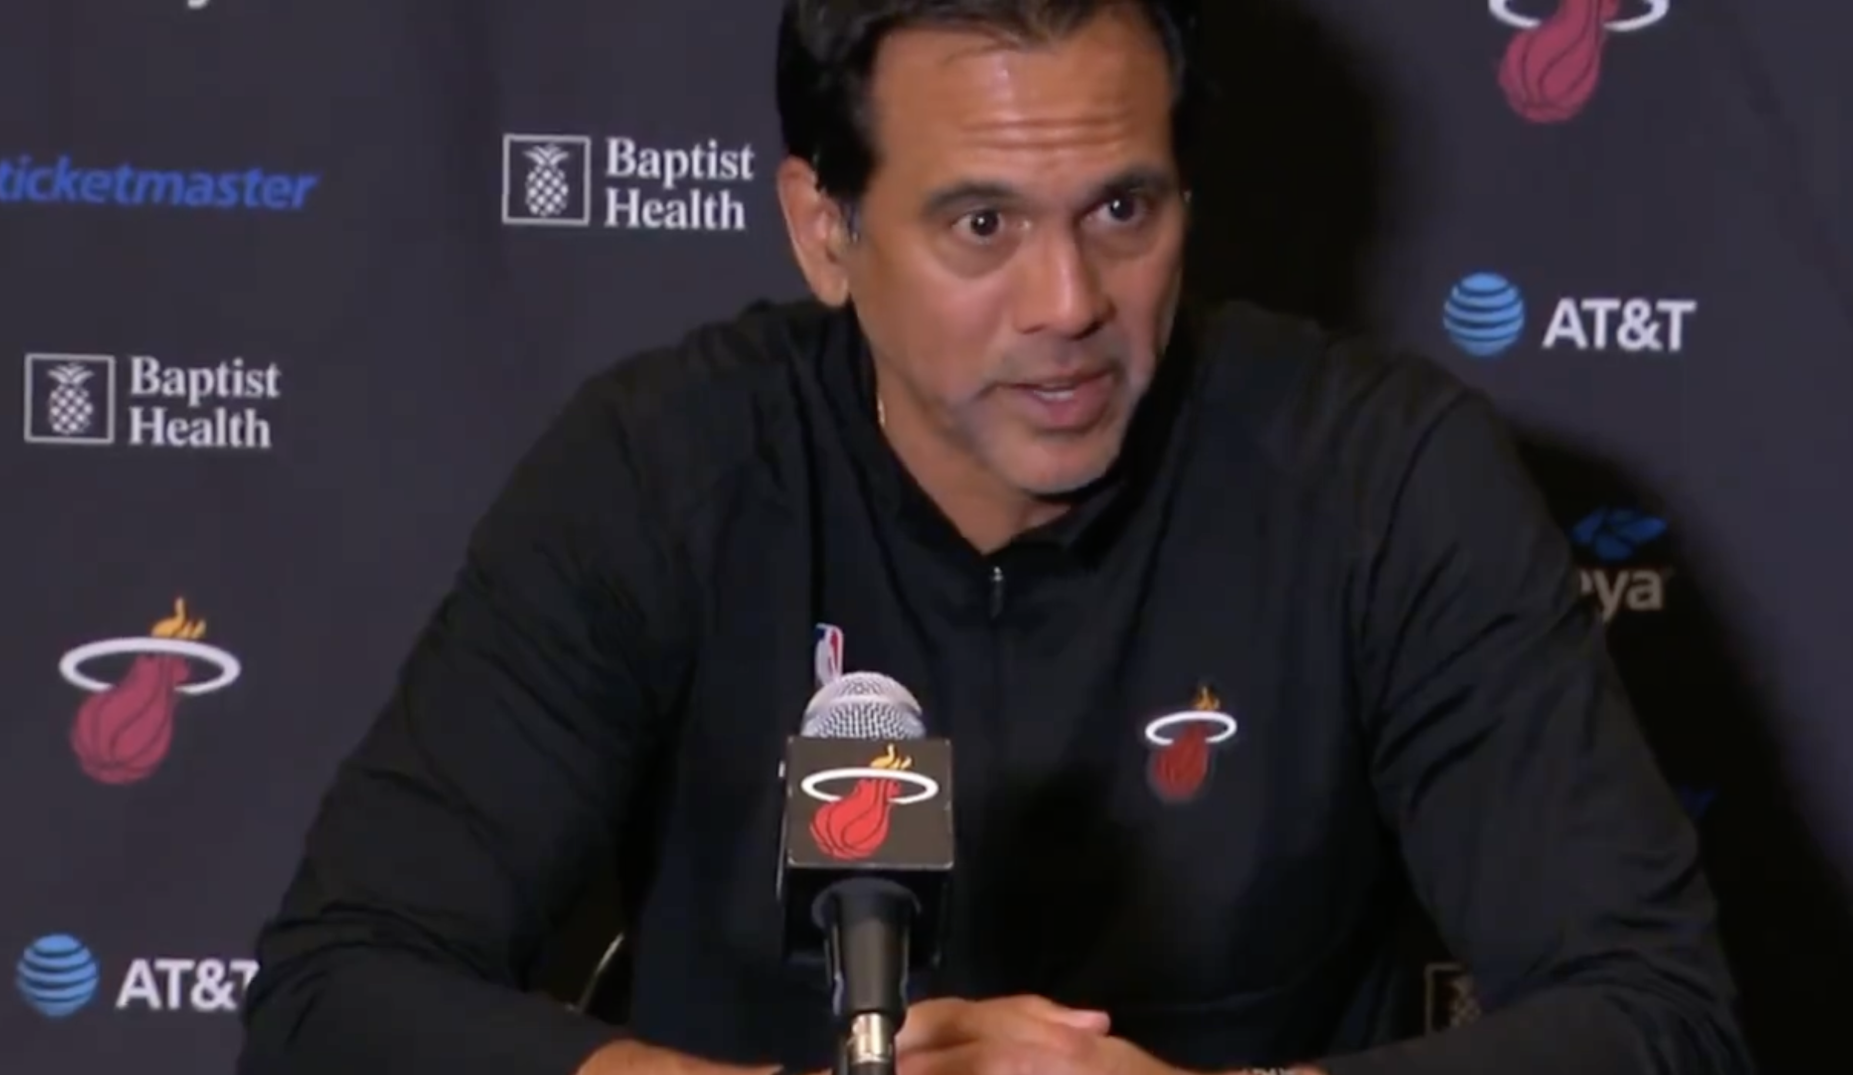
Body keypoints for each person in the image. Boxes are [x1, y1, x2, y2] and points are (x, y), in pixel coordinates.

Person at [235, 1, 1753, 1074]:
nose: (1069, 304)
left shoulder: (1382, 478)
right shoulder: (663, 471)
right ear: (825, 231)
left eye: (1122, 210)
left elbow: (1660, 1016)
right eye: (982, 226)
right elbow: (335, 990)